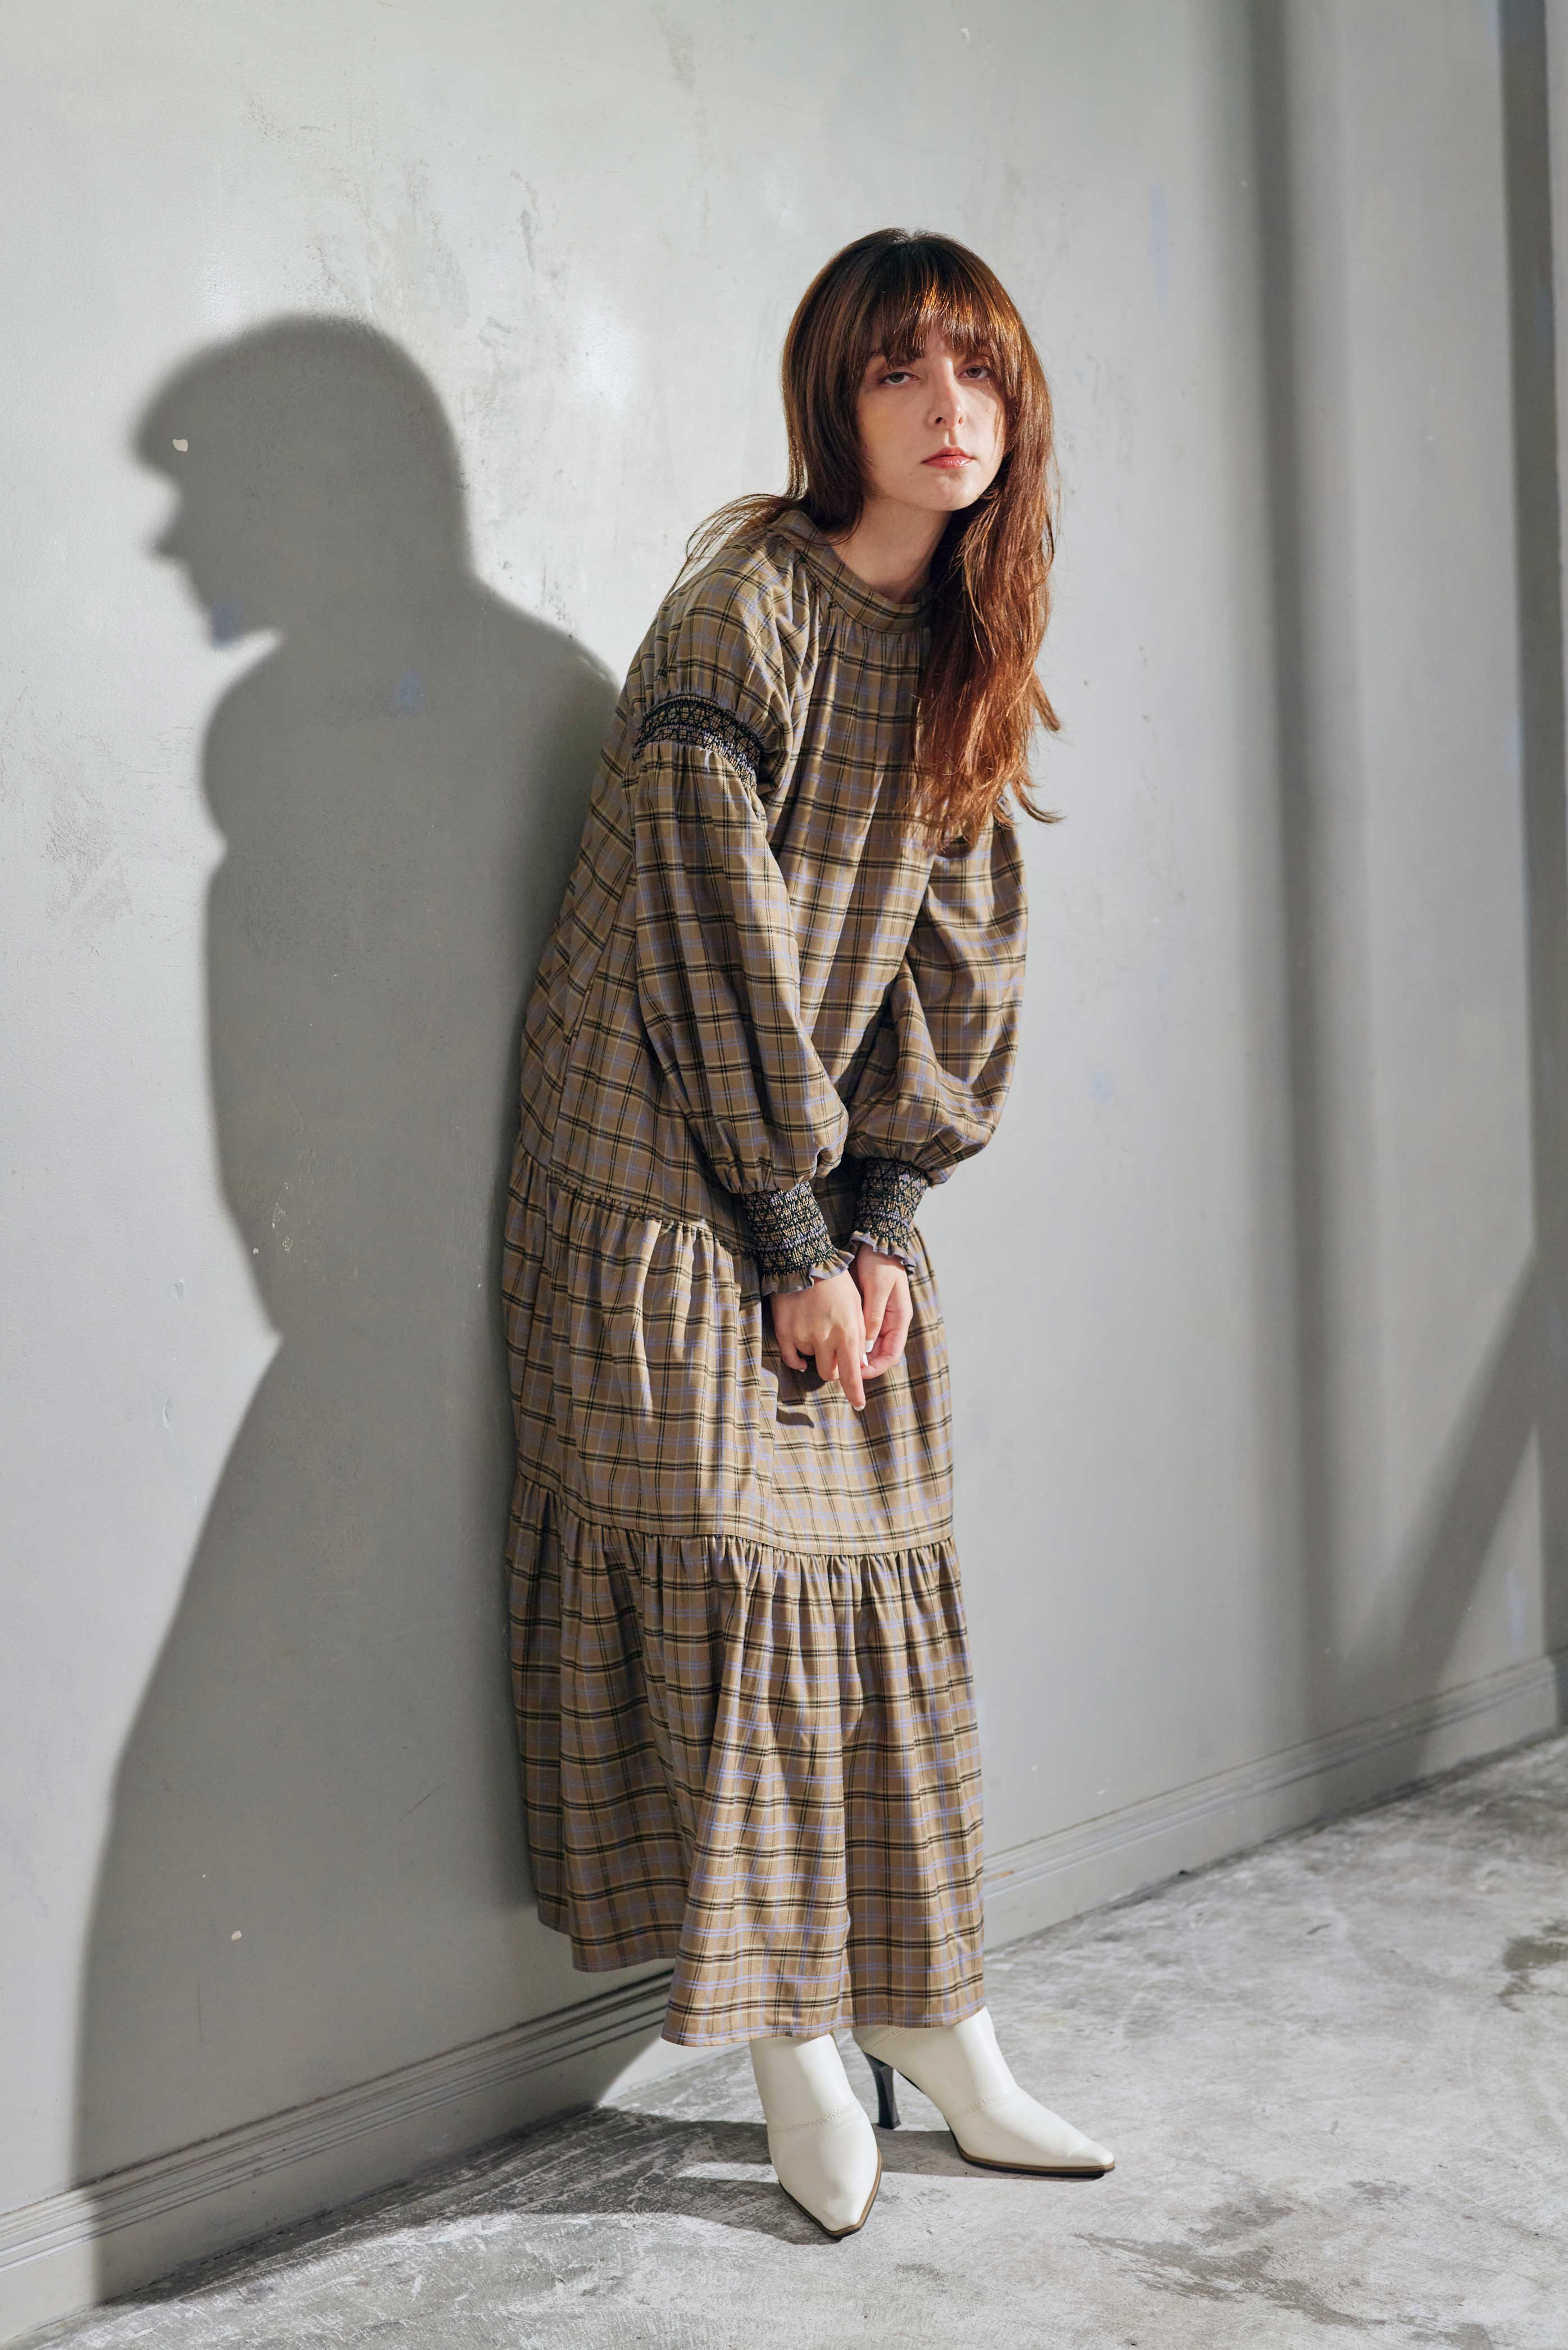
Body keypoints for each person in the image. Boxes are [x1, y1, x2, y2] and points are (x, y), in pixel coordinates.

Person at [501, 227, 1113, 2237]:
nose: (950, 410)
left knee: (885, 1581)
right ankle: (795, 2046)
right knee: (743, 1588)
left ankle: (936, 2019)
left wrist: (880, 1216)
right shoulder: (738, 619)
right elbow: (708, 944)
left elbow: (962, 959)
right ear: (831, 403)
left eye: (979, 373)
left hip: (811, 1175)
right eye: (900, 373)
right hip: (646, 1168)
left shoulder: (964, 647)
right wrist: (788, 1238)